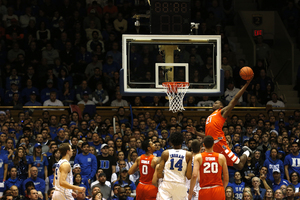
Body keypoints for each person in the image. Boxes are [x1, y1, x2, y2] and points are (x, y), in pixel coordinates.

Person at [189, 76, 253, 170]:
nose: (214, 104)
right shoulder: (210, 117)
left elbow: (235, 99)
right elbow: (207, 136)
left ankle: (246, 152)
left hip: (220, 143)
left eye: (216, 102)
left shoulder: (222, 112)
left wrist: (246, 85)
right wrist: (196, 133)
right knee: (215, 168)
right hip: (211, 145)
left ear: (221, 106)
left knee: (239, 166)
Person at [188, 135, 229, 200]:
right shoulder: (221, 157)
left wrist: (190, 193)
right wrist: (222, 189)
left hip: (205, 190)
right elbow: (226, 178)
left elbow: (194, 175)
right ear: (213, 144)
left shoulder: (198, 157)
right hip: (218, 189)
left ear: (203, 145)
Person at [156, 131, 193, 200]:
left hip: (167, 183)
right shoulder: (188, 154)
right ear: (182, 142)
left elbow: (159, 174)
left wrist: (168, 175)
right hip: (180, 183)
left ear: (171, 142)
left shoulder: (165, 153)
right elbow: (189, 176)